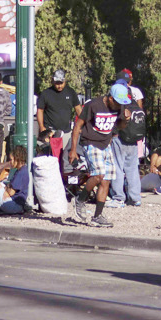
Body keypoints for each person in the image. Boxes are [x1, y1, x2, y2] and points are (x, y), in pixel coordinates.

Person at [69, 83, 131, 228]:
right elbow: (78, 126)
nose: (118, 105)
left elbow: (119, 126)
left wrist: (126, 120)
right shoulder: (94, 105)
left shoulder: (119, 107)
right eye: (117, 102)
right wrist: (73, 149)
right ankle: (80, 199)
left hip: (106, 144)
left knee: (106, 181)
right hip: (90, 142)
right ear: (110, 98)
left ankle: (97, 216)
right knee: (99, 175)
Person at [36, 69, 82, 164]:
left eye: (61, 83)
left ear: (65, 81)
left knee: (64, 158)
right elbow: (40, 110)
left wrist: (83, 124)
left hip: (66, 132)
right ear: (53, 81)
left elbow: (78, 109)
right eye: (57, 83)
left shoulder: (71, 92)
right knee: (51, 158)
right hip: (51, 132)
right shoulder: (46, 93)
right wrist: (42, 127)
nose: (59, 85)